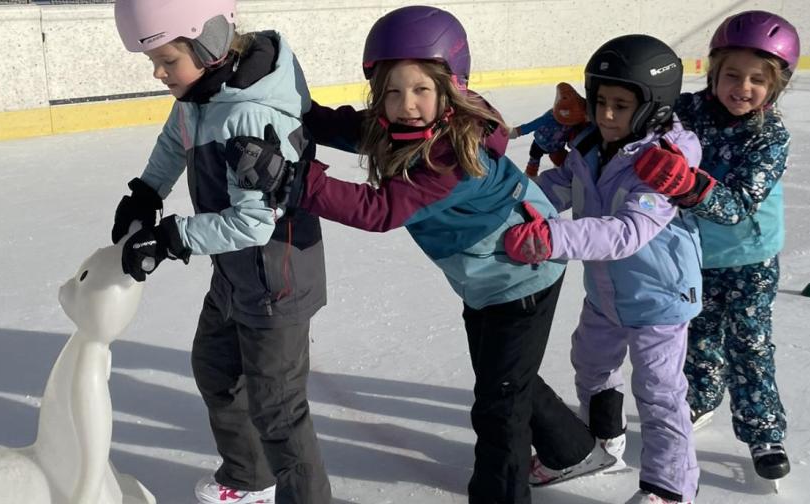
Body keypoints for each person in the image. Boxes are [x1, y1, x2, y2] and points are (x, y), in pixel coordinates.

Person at [224, 6, 614, 503]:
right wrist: (287, 99)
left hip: (522, 279)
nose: (406, 104)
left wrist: (296, 180)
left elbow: (380, 210)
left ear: (448, 89)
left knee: (499, 404)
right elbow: (353, 128)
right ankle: (574, 451)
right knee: (504, 378)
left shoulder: (452, 154)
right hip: (486, 279)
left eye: (420, 90)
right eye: (392, 91)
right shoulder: (406, 126)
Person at [110, 1, 330, 502]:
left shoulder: (251, 114)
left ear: (207, 42)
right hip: (234, 273)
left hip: (277, 278)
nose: (158, 73)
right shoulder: (200, 93)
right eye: (153, 62)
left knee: (278, 409)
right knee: (215, 368)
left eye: (167, 60)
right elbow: (175, 139)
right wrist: (147, 190)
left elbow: (254, 223)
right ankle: (251, 477)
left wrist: (171, 238)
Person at [504, 34, 703, 504]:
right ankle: (603, 442)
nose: (607, 115)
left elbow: (627, 232)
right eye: (599, 102)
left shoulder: (665, 163)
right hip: (606, 291)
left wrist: (551, 238)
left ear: (652, 108)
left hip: (659, 297)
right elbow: (562, 185)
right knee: (591, 364)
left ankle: (669, 489)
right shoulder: (592, 145)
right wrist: (507, 203)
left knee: (659, 392)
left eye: (620, 105)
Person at [630, 10, 800, 485]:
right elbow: (640, 121)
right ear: (713, 70)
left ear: (777, 85)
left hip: (750, 257)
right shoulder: (689, 110)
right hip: (692, 252)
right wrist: (587, 117)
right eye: (731, 75)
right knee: (698, 334)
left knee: (750, 343)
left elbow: (738, 205)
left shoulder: (770, 136)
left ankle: (763, 428)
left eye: (757, 80)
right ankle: (700, 396)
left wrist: (687, 184)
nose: (741, 88)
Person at [508, 82, 589, 177]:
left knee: (560, 162)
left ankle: (561, 174)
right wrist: (517, 131)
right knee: (533, 161)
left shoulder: (575, 124)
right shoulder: (549, 118)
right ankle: (531, 175)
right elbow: (533, 125)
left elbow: (577, 135)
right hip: (539, 144)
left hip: (557, 149)